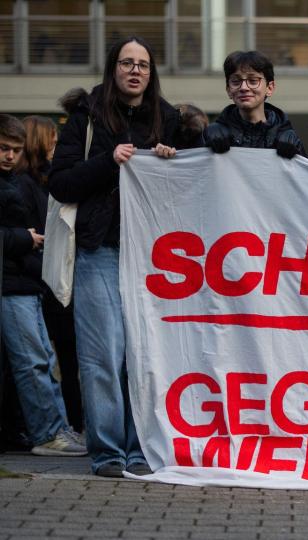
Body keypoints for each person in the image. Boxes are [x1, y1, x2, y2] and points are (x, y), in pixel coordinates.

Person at [49, 36, 178, 478]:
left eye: (143, 63)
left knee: (146, 354)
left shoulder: (170, 118)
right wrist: (110, 160)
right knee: (102, 355)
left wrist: (169, 159)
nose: (135, 70)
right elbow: (60, 183)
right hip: (99, 250)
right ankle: (107, 453)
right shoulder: (85, 117)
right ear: (113, 68)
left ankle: (141, 448)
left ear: (151, 71)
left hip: (155, 260)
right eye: (127, 62)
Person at [0, 113, 86, 458]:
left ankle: (52, 429)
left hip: (23, 281)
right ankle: (48, 432)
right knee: (33, 360)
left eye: (15, 150)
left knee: (41, 359)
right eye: (4, 148)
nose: (9, 156)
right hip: (13, 282)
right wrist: (24, 240)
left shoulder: (15, 182)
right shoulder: (19, 184)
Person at [204, 50, 303, 158]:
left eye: (253, 80)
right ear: (228, 90)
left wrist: (298, 151)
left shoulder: (287, 139)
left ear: (270, 88)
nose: (243, 88)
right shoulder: (212, 136)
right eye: (236, 81)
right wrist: (202, 139)